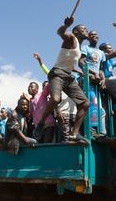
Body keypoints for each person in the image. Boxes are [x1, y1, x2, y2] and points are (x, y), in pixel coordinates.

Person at [33, 16, 90, 144]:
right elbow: (60, 32)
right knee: (55, 99)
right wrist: (66, 25)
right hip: (57, 73)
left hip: (68, 76)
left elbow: (69, 61)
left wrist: (78, 70)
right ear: (76, 32)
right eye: (84, 29)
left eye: (87, 29)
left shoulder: (80, 48)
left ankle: (75, 134)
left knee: (85, 104)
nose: (87, 30)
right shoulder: (71, 39)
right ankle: (41, 123)